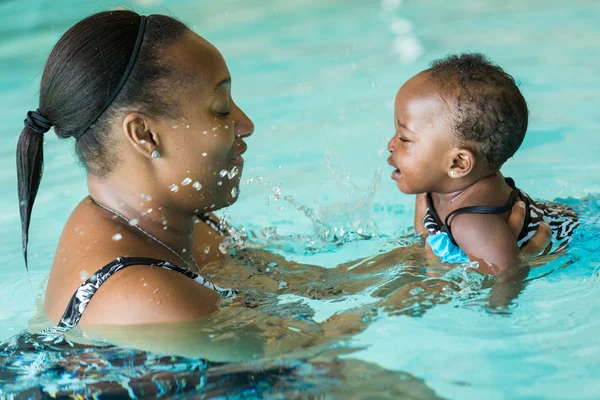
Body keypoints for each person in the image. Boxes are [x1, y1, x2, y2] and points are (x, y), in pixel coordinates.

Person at [17, 12, 549, 347]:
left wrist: (436, 251)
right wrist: (452, 285)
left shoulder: (174, 222)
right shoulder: (140, 294)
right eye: (221, 109)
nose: (245, 124)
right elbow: (309, 349)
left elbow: (308, 287)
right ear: (145, 135)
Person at [387, 53, 578, 275]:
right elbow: (425, 235)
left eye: (404, 138)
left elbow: (508, 278)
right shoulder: (435, 185)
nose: (391, 144)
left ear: (458, 163)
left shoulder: (472, 222)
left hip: (571, 233)